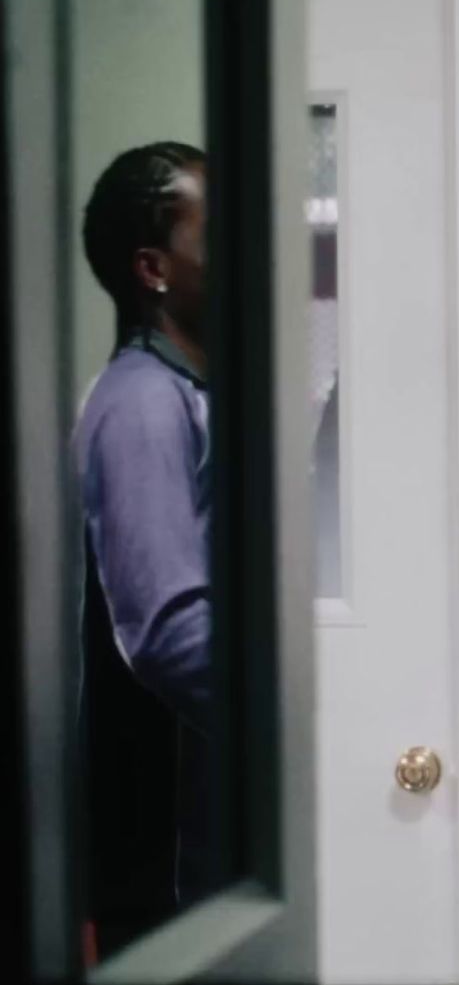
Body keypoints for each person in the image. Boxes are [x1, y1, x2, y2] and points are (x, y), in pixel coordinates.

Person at [74, 142, 223, 957]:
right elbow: (169, 633)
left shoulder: (194, 393)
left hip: (212, 845)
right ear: (153, 268)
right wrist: (305, 720)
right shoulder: (138, 404)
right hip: (166, 868)